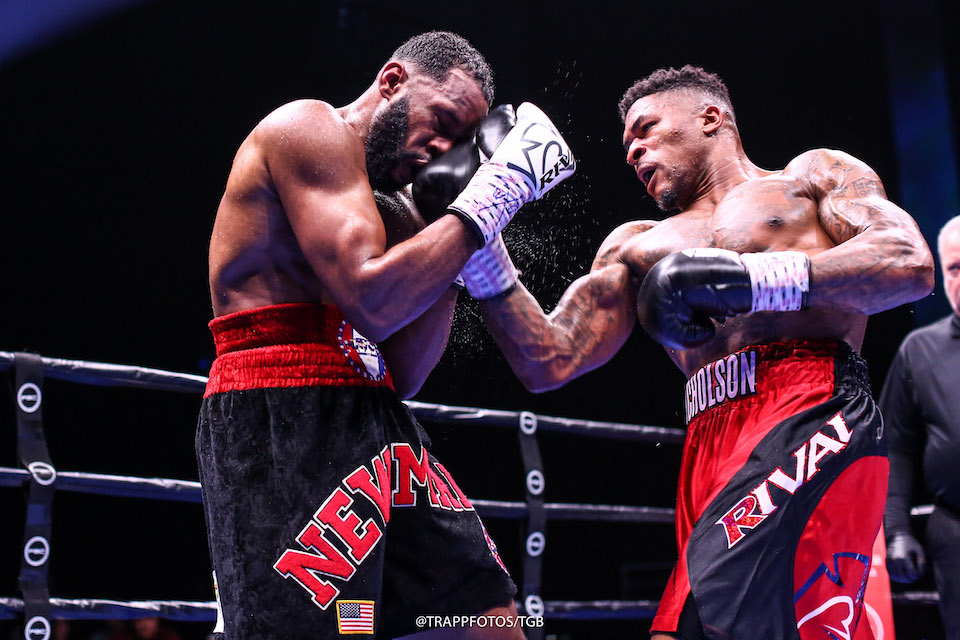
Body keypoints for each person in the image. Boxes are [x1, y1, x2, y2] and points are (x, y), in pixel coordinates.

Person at [461, 65, 934, 639]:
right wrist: (479, 238)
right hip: (707, 441)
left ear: (711, 118)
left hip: (813, 409)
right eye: (627, 145)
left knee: (697, 622)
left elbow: (907, 262)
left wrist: (753, 281)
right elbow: (549, 360)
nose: (633, 151)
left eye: (646, 129)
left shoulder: (811, 177)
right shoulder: (635, 245)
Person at [197, 31, 573, 639]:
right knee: (332, 632)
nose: (444, 148)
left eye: (462, 142)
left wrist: (452, 232)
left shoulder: (399, 209)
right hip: (282, 415)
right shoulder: (309, 128)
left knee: (483, 618)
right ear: (393, 81)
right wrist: (492, 197)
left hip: (377, 424)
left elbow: (406, 372)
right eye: (442, 121)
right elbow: (370, 300)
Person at [881, 214, 960, 640]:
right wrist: (896, 531)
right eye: (954, 268)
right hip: (954, 533)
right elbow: (895, 447)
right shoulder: (920, 349)